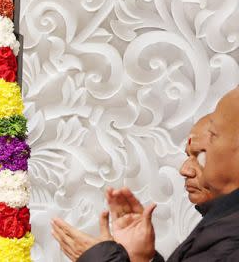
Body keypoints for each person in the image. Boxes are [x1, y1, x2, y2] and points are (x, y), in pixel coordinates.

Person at [57, 88, 239, 261]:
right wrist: (140, 258)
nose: (185, 170)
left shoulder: (230, 239)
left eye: (213, 137)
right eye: (188, 155)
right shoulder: (220, 227)